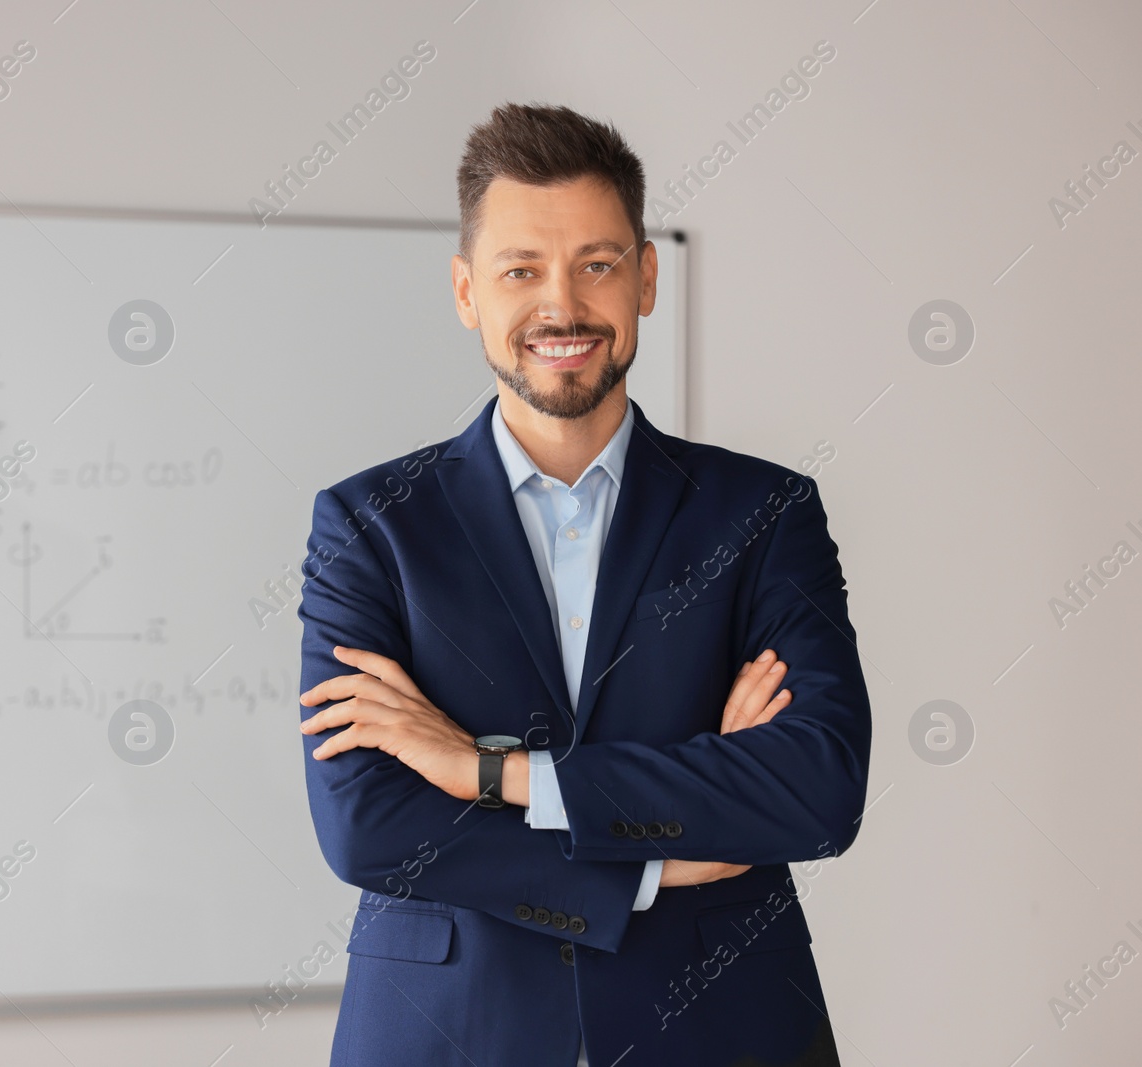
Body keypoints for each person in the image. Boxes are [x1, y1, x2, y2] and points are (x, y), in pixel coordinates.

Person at [296, 102, 869, 1066]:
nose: (561, 306)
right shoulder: (370, 524)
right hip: (450, 1030)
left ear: (646, 278)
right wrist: (664, 857)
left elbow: (816, 788)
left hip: (723, 1026)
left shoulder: (763, 513)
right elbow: (371, 825)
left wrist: (489, 773)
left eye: (597, 264)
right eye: (522, 269)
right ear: (467, 291)